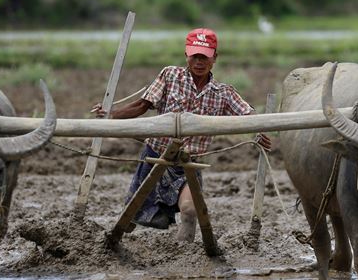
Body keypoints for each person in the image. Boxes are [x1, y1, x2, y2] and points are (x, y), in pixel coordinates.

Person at [92, 28, 272, 242]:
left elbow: (246, 113)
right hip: (156, 157)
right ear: (186, 55)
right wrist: (111, 115)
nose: (198, 61)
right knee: (132, 216)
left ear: (214, 58)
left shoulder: (223, 92)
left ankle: (182, 256)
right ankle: (112, 244)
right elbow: (143, 105)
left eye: (204, 56)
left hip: (188, 164)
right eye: (194, 55)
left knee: (190, 210)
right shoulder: (171, 75)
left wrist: (260, 127)